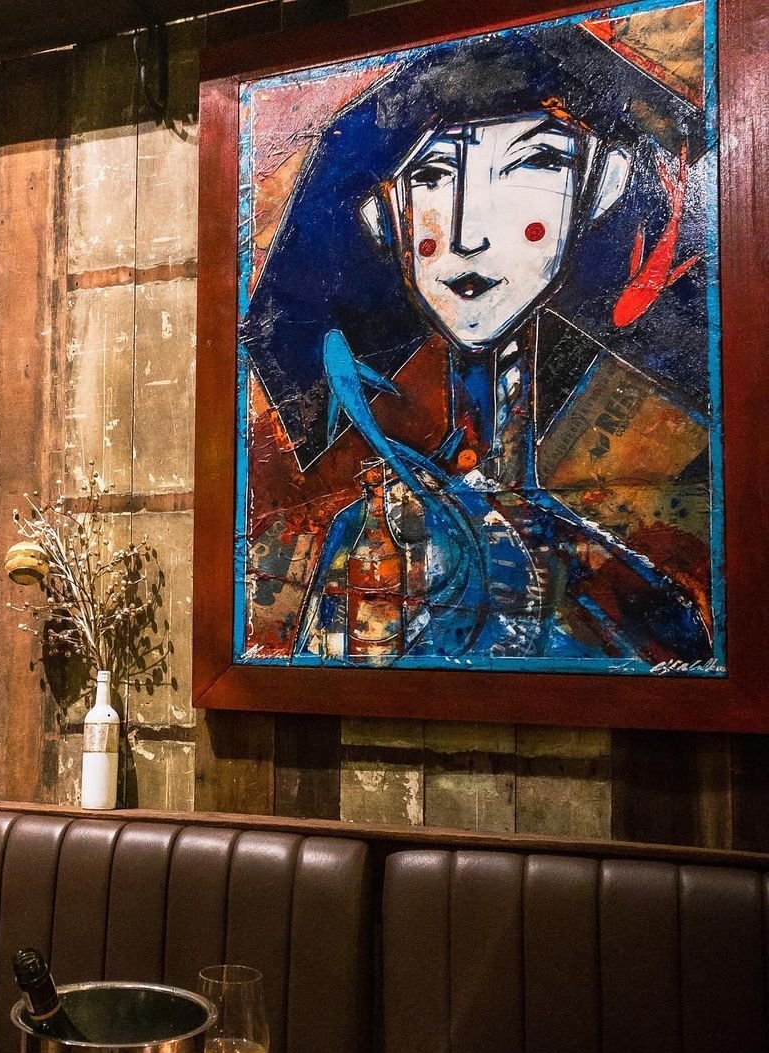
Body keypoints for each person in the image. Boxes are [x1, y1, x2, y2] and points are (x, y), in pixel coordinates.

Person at [240, 19, 717, 673]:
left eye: (534, 162)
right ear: (386, 216)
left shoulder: (655, 454)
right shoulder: (367, 520)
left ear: (603, 182)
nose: (468, 233)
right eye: (432, 173)